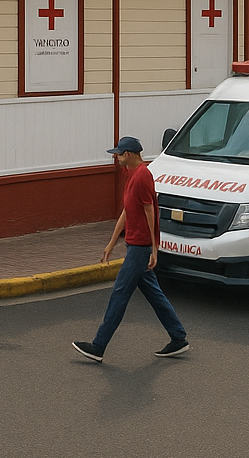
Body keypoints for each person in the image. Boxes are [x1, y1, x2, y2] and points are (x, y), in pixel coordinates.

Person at [73, 136, 189, 362]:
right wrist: (111, 244)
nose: (115, 157)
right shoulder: (131, 175)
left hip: (140, 248)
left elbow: (150, 212)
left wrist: (155, 249)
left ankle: (98, 346)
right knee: (155, 295)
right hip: (135, 245)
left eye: (118, 153)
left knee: (119, 294)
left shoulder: (143, 177)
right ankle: (178, 337)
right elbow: (127, 212)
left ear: (129, 154)